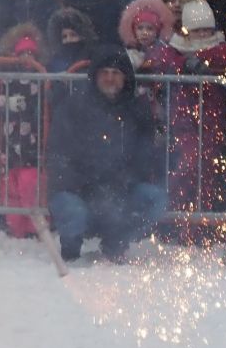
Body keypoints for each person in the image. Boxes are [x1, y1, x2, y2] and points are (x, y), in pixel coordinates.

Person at [45, 49, 166, 263]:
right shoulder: (75, 106)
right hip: (77, 189)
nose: (110, 78)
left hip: (119, 189)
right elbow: (59, 154)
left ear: (126, 77)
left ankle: (116, 242)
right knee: (73, 211)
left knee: (155, 199)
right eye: (104, 72)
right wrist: (86, 185)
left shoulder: (137, 110)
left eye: (116, 73)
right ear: (95, 76)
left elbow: (144, 155)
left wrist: (124, 182)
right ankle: (71, 251)